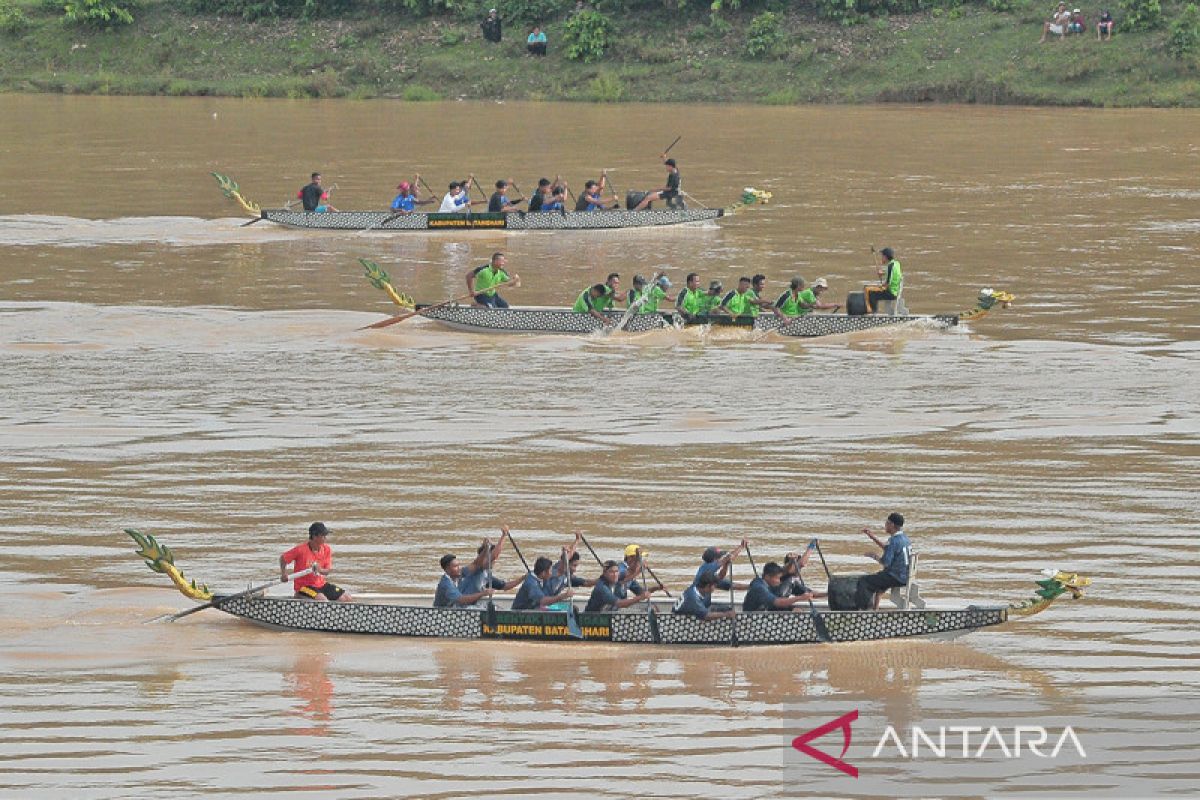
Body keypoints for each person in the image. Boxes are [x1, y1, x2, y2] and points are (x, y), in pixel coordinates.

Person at [280, 522, 350, 601]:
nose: (325, 538)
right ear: (314, 536)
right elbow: (283, 558)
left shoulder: (327, 549)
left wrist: (320, 570)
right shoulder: (300, 550)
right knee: (322, 599)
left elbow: (327, 571)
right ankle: (299, 595)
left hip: (321, 585)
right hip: (303, 587)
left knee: (346, 598)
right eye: (323, 535)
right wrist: (283, 573)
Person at [858, 512, 912, 610]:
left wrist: (874, 556)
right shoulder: (905, 538)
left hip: (895, 577)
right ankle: (875, 610)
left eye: (887, 523)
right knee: (879, 582)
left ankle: (864, 611)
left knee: (864, 581)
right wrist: (872, 537)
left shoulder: (893, 540)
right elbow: (889, 549)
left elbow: (885, 562)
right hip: (905, 575)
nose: (885, 525)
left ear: (892, 525)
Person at [458, 526, 524, 596]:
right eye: (491, 559)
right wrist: (503, 535)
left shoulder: (486, 575)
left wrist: (523, 578)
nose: (494, 561)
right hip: (461, 604)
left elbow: (505, 586)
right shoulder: (476, 568)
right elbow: (494, 556)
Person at [743, 563, 818, 612]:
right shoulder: (760, 588)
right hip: (751, 620)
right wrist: (800, 598)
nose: (779, 582)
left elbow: (774, 604)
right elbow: (779, 602)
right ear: (767, 577)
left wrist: (791, 609)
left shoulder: (764, 583)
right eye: (777, 578)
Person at [585, 560, 654, 613]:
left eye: (616, 571)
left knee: (650, 609)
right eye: (611, 572)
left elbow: (629, 574)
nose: (615, 575)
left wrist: (640, 568)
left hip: (608, 614)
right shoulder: (602, 588)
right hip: (594, 620)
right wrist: (640, 598)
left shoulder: (616, 577)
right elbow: (620, 604)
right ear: (605, 574)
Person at [776, 276, 841, 317]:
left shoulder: (798, 294)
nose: (822, 291)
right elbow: (820, 306)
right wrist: (835, 305)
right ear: (817, 287)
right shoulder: (809, 293)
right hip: (795, 315)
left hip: (797, 315)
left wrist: (811, 306)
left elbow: (803, 305)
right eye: (821, 288)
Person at [865, 247, 904, 314]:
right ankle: (873, 311)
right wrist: (882, 273)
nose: (881, 258)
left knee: (867, 289)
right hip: (895, 291)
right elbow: (894, 274)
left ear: (885, 257)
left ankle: (871, 312)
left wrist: (881, 285)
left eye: (882, 256)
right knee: (873, 289)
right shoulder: (896, 263)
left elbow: (887, 284)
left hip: (890, 292)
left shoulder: (890, 267)